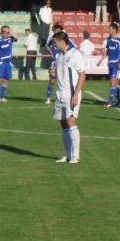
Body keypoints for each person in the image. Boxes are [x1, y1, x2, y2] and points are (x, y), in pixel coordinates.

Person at [52, 31, 86, 165]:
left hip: (70, 93)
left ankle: (75, 156)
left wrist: (76, 94)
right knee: (63, 124)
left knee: (71, 122)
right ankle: (67, 155)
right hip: (60, 93)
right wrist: (54, 73)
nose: (54, 45)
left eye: (55, 42)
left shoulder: (75, 54)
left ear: (61, 41)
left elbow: (82, 75)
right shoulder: (59, 55)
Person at [97, 23, 120, 108]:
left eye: (109, 29)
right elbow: (107, 52)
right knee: (115, 83)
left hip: (116, 64)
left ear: (114, 30)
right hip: (110, 64)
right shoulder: (108, 40)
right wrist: (101, 60)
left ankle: (109, 102)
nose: (108, 30)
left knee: (113, 81)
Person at [46, 24, 75, 104]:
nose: (57, 32)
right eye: (56, 30)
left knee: (64, 80)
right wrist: (52, 54)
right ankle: (48, 98)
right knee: (52, 80)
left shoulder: (67, 40)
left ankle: (65, 97)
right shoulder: (52, 40)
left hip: (64, 62)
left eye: (59, 30)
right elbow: (47, 46)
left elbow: (74, 48)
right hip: (55, 62)